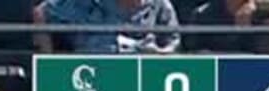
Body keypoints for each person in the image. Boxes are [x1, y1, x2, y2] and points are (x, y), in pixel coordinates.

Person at [35, 0, 180, 53]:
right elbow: (41, 13)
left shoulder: (160, 6)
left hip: (142, 89)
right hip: (91, 87)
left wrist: (159, 54)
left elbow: (173, 45)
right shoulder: (84, 4)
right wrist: (49, 66)